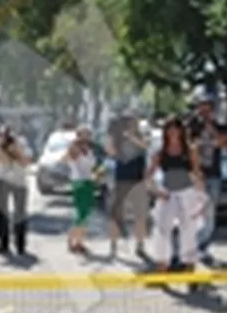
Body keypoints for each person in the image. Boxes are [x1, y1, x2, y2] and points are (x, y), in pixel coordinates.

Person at [145, 116, 204, 273]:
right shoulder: (160, 153)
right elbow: (148, 176)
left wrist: (201, 197)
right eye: (169, 129)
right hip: (168, 193)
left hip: (187, 192)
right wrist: (157, 191)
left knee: (189, 230)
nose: (173, 132)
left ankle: (190, 266)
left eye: (176, 128)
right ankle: (162, 266)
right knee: (162, 230)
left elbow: (197, 173)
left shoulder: (189, 150)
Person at [185, 91, 227, 262]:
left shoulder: (219, 125)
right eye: (201, 107)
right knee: (195, 212)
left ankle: (202, 245)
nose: (204, 111)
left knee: (210, 212)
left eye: (207, 108)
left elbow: (226, 144)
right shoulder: (191, 126)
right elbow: (187, 148)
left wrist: (211, 128)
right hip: (196, 175)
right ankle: (193, 244)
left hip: (213, 174)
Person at [0, 124, 33, 256]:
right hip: (2, 179)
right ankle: (3, 242)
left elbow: (26, 161)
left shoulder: (22, 143)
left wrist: (16, 150)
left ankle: (20, 243)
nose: (6, 139)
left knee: (20, 212)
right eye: (3, 135)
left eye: (8, 136)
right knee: (1, 211)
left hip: (19, 181)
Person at [106, 114, 149, 256]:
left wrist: (132, 136)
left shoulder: (141, 136)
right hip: (121, 179)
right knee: (116, 213)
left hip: (138, 179)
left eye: (134, 123)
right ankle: (113, 244)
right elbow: (110, 152)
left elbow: (145, 146)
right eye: (129, 123)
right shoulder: (118, 138)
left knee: (140, 214)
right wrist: (112, 135)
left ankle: (140, 245)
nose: (132, 126)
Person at [65, 127, 97, 255]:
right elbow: (68, 160)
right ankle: (71, 239)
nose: (86, 138)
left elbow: (91, 166)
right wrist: (75, 148)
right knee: (80, 214)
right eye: (83, 135)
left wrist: (96, 174)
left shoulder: (89, 150)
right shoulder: (73, 149)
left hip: (89, 181)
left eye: (87, 135)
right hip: (79, 182)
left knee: (86, 214)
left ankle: (80, 242)